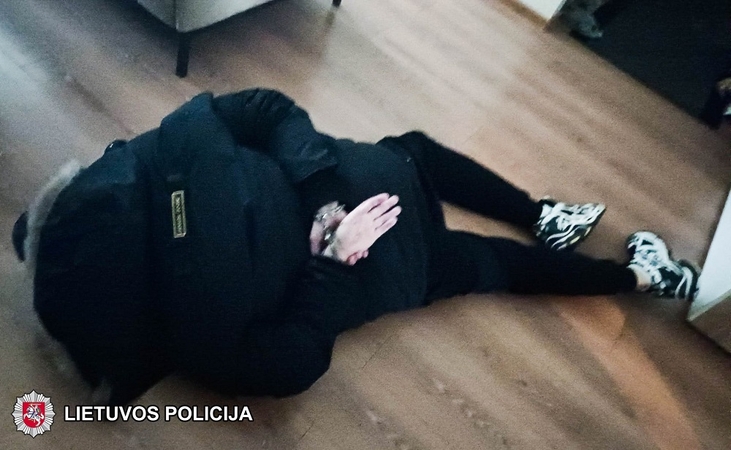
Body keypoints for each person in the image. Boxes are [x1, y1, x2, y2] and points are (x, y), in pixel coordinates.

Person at [12, 88, 699, 404]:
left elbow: (296, 362)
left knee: (494, 264)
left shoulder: (195, 337)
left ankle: (640, 277)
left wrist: (332, 258)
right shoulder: (173, 147)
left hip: (382, 262)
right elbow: (267, 109)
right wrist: (325, 202)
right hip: (368, 185)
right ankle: (547, 216)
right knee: (419, 153)